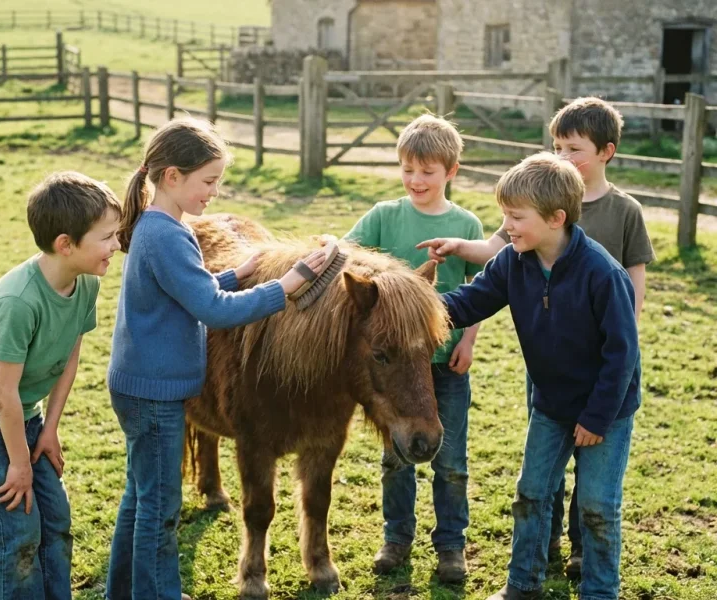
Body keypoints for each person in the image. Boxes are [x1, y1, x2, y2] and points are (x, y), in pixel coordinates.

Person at [419, 97, 654, 576]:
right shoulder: (513, 261)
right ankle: (523, 582)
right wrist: (415, 310)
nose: (506, 227)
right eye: (505, 215)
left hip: (604, 408)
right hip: (550, 403)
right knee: (531, 493)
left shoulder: (602, 274)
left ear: (555, 219)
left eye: (515, 217)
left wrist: (596, 416)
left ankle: (599, 590)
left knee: (596, 506)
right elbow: (470, 302)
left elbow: (622, 353)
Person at [105, 117, 326, 600]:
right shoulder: (167, 235)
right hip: (155, 393)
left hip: (139, 385)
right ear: (172, 177)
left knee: (140, 499)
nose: (214, 193)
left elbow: (186, 291)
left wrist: (235, 274)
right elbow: (213, 310)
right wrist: (285, 286)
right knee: (160, 510)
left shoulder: (157, 226)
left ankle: (122, 590)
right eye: (208, 181)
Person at [0, 171, 123, 600]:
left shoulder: (87, 284)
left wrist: (49, 429)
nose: (117, 245)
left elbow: (69, 357)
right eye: (107, 237)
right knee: (19, 530)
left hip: (24, 410)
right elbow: (2, 394)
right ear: (66, 244)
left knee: (56, 518)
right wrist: (19, 465)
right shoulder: (18, 302)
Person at [342, 114, 484, 583]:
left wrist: (467, 341)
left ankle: (451, 546)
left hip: (445, 365)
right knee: (396, 459)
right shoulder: (384, 216)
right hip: (397, 368)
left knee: (452, 463)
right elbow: (345, 255)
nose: (416, 180)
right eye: (407, 169)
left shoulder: (466, 224)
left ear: (451, 171)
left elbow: (480, 290)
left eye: (427, 171)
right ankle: (396, 538)